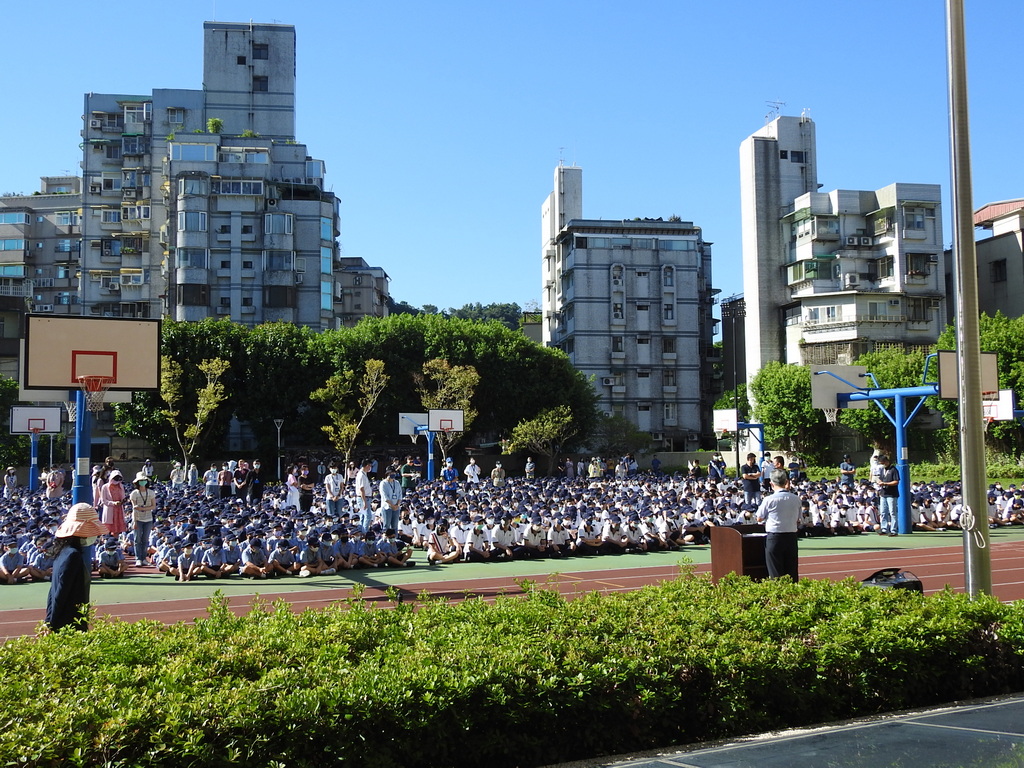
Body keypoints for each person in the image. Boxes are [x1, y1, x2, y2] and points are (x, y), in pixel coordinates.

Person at [45, 503, 109, 632]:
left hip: (60, 620)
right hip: (70, 622)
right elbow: (62, 591)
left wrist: (49, 619)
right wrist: (51, 623)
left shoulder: (61, 551)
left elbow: (53, 591)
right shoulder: (73, 555)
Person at [755, 468, 801, 580]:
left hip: (774, 537)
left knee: (775, 572)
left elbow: (759, 518)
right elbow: (798, 519)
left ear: (771, 484)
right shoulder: (796, 499)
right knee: (791, 572)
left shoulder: (769, 499)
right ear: (786, 482)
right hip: (791, 537)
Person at [128, 471, 156, 567]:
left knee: (145, 540)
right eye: (141, 480)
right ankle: (138, 558)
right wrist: (134, 521)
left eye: (144, 480)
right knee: (137, 539)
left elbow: (153, 506)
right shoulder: (134, 493)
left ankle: (144, 558)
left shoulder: (151, 492)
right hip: (138, 518)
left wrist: (143, 508)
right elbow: (134, 508)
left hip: (148, 519)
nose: (142, 482)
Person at [877, 454, 900, 537]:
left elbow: (896, 481)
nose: (882, 464)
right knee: (883, 512)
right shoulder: (882, 470)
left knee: (892, 512)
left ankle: (893, 530)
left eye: (883, 463)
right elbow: (879, 478)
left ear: (886, 461)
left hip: (891, 494)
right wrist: (879, 482)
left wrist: (885, 483)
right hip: (883, 493)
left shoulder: (893, 469)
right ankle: (884, 529)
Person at [99, 471, 128, 537]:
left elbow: (122, 497)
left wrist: (123, 501)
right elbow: (103, 500)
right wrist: (113, 503)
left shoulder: (121, 486)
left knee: (117, 529)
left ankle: (115, 540)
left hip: (119, 510)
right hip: (110, 510)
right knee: (107, 529)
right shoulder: (105, 487)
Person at [355, 459, 374, 531]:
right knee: (368, 516)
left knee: (363, 516)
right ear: (367, 465)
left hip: (366, 497)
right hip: (363, 498)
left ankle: (362, 531)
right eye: (370, 466)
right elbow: (361, 489)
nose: (370, 468)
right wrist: (364, 501)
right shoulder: (361, 475)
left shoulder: (364, 474)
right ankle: (365, 532)